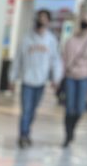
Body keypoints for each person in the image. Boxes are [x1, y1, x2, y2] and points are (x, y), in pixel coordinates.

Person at [10, 9, 62, 148]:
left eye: (45, 18)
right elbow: (18, 60)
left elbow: (55, 61)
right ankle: (23, 135)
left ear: (48, 21)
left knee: (32, 110)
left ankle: (27, 132)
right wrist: (12, 78)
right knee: (26, 110)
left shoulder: (51, 40)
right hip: (27, 81)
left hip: (41, 82)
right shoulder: (26, 39)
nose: (42, 21)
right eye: (40, 18)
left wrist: (56, 78)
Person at [61, 12, 87, 147]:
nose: (85, 23)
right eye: (83, 20)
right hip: (70, 77)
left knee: (80, 109)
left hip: (84, 78)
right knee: (69, 108)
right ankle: (68, 135)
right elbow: (64, 61)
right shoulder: (71, 41)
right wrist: (59, 79)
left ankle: (72, 128)